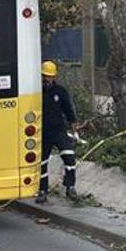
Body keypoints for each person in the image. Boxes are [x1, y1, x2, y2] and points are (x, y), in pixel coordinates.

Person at [37, 61, 78, 204]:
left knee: (70, 158)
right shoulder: (36, 92)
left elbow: (68, 110)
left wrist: (74, 128)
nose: (47, 79)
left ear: (54, 77)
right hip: (42, 133)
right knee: (41, 163)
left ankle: (70, 187)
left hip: (59, 131)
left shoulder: (60, 91)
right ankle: (42, 191)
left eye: (50, 76)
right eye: (45, 76)